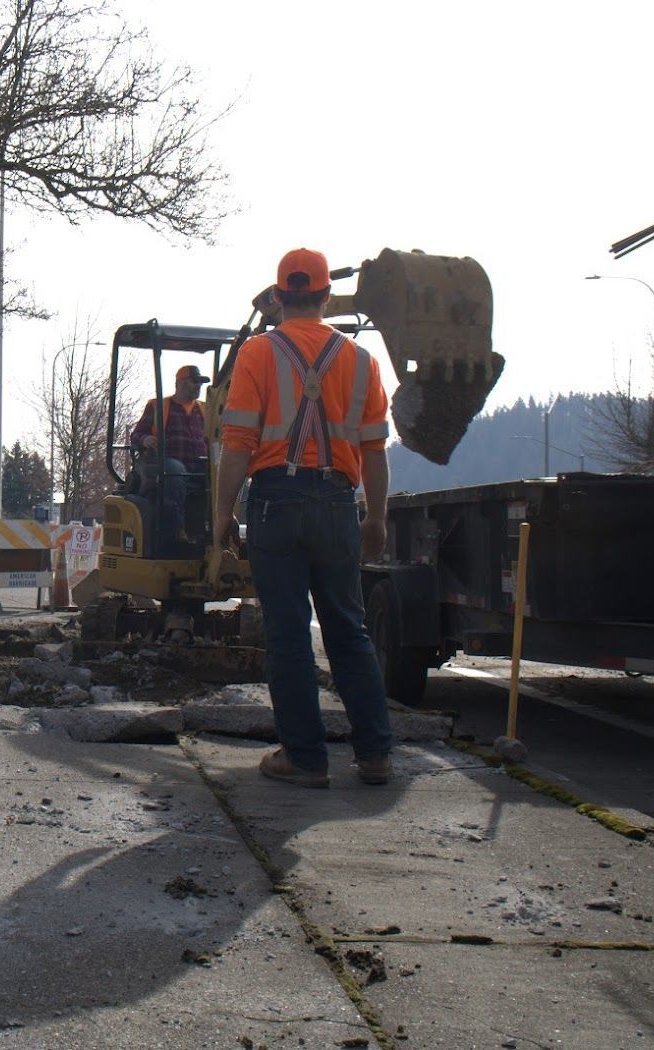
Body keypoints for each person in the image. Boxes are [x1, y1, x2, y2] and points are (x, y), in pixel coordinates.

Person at [213, 248, 393, 789]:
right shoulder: (362, 361)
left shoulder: (256, 354)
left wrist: (223, 513)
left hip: (275, 502)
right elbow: (376, 449)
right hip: (339, 503)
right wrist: (377, 518)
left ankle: (306, 759)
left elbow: (238, 442)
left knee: (289, 635)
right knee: (349, 631)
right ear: (322, 296)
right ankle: (376, 754)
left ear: (279, 296)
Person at [128, 364, 210, 546]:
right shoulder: (158, 406)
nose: (198, 387)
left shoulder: (204, 410)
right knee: (176, 471)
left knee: (218, 477)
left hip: (198, 465)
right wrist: (146, 439)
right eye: (194, 382)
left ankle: (208, 531)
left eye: (200, 383)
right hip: (162, 463)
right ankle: (176, 530)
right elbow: (136, 435)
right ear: (180, 383)